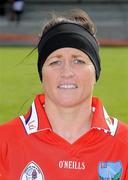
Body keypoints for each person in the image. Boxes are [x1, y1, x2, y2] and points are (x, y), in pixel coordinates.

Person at [0, 9, 128, 180]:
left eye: (78, 60)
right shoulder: (5, 142)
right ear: (42, 74)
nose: (67, 72)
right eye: (55, 61)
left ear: (95, 72)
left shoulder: (124, 144)